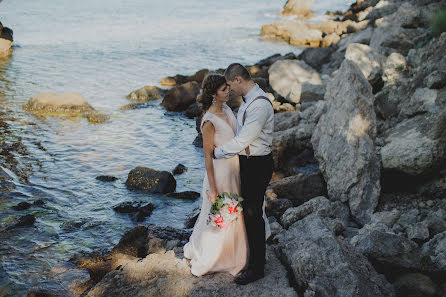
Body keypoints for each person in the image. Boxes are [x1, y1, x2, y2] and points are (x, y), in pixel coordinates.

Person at [214, 63, 274, 285]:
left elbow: (243, 140)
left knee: (253, 215)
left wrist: (217, 152)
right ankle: (252, 259)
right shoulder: (250, 100)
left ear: (239, 80)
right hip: (249, 163)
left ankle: (257, 269)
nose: (229, 90)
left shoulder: (259, 105)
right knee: (249, 214)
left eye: (230, 85)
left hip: (257, 164)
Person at [183, 73, 248, 277]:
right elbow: (207, 157)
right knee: (221, 216)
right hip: (219, 175)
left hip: (234, 171)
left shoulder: (227, 109)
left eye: (227, 87)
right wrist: (213, 188)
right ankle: (215, 255)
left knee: (236, 213)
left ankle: (237, 250)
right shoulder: (208, 121)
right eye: (223, 89)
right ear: (213, 94)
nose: (228, 91)